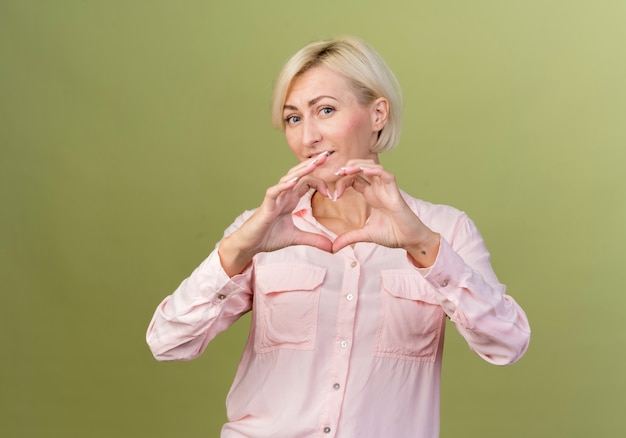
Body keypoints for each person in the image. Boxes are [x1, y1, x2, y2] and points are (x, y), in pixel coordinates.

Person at [146, 36, 530, 438]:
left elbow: (507, 344)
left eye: (325, 110)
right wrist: (238, 250)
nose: (307, 136)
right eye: (294, 118)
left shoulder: (444, 230)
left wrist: (424, 248)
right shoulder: (257, 230)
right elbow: (168, 342)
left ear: (378, 113)